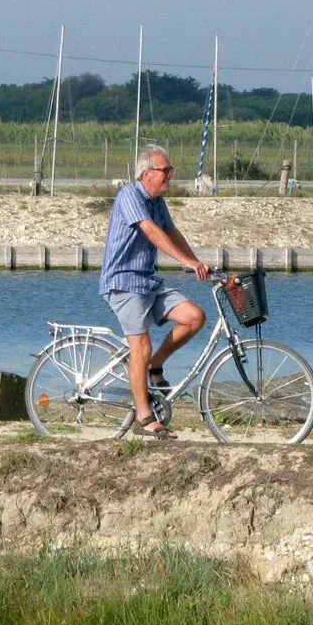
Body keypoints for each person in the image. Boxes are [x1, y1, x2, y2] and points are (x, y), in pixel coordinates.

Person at [99, 145, 210, 439]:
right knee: (141, 346)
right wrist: (184, 262)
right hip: (122, 282)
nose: (170, 176)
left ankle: (155, 366)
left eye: (170, 171)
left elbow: (171, 232)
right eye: (166, 171)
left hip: (147, 280)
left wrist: (196, 261)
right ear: (147, 174)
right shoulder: (129, 196)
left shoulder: (158, 201)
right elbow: (150, 231)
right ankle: (144, 415)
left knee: (194, 317)